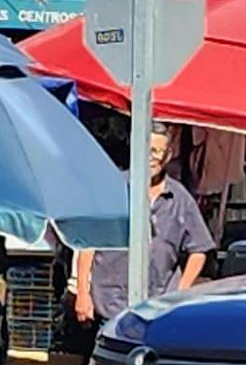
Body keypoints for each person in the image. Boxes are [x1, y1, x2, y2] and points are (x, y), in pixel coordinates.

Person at [67, 121, 215, 336]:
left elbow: (199, 249)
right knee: (110, 362)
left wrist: (180, 291)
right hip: (110, 301)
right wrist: (82, 293)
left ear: (169, 154)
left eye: (158, 151)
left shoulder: (179, 198)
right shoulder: (113, 189)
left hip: (158, 305)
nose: (152, 157)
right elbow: (88, 244)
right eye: (148, 149)